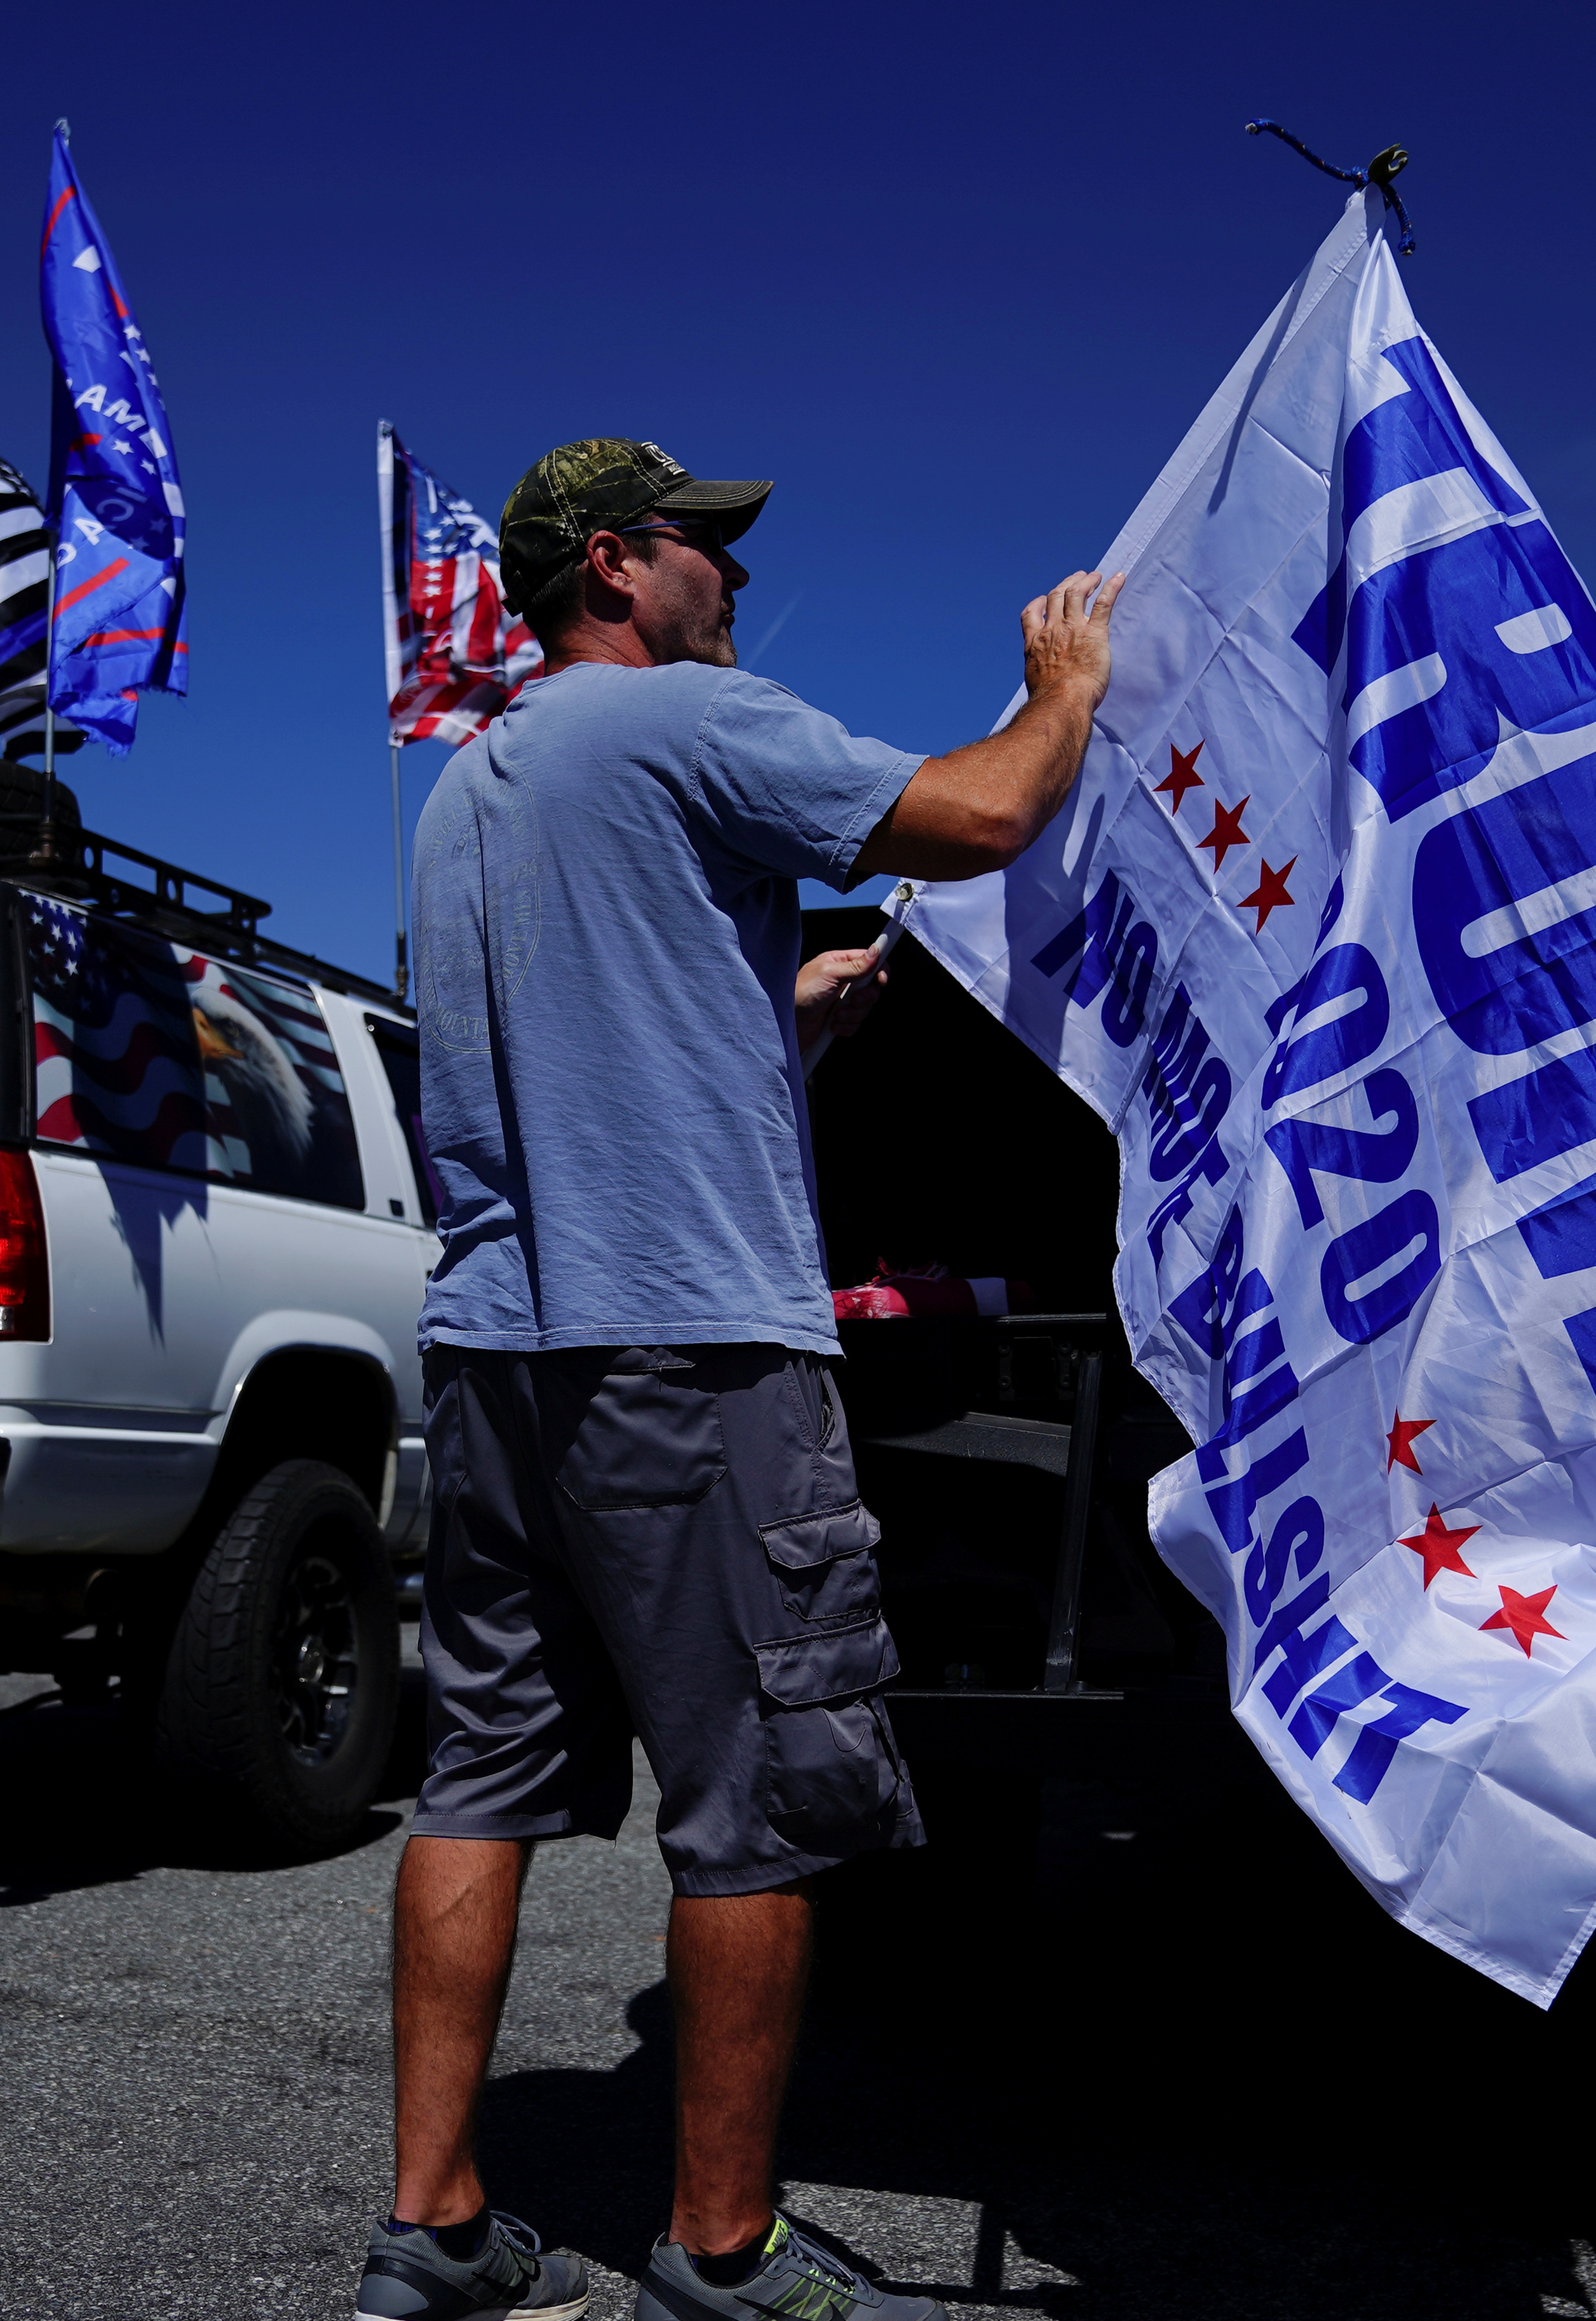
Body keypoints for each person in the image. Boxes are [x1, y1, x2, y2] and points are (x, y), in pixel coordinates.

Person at [354, 439, 1119, 2321]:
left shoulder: (474, 786)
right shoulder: (695, 721)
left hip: (499, 1359)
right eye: (709, 546)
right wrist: (1063, 694)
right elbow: (980, 818)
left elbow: (587, 1024)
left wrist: (798, 1010)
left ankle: (433, 2233)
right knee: (758, 1804)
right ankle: (725, 2256)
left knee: (475, 1786)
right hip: (691, 1349)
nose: (736, 577)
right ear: (616, 566)